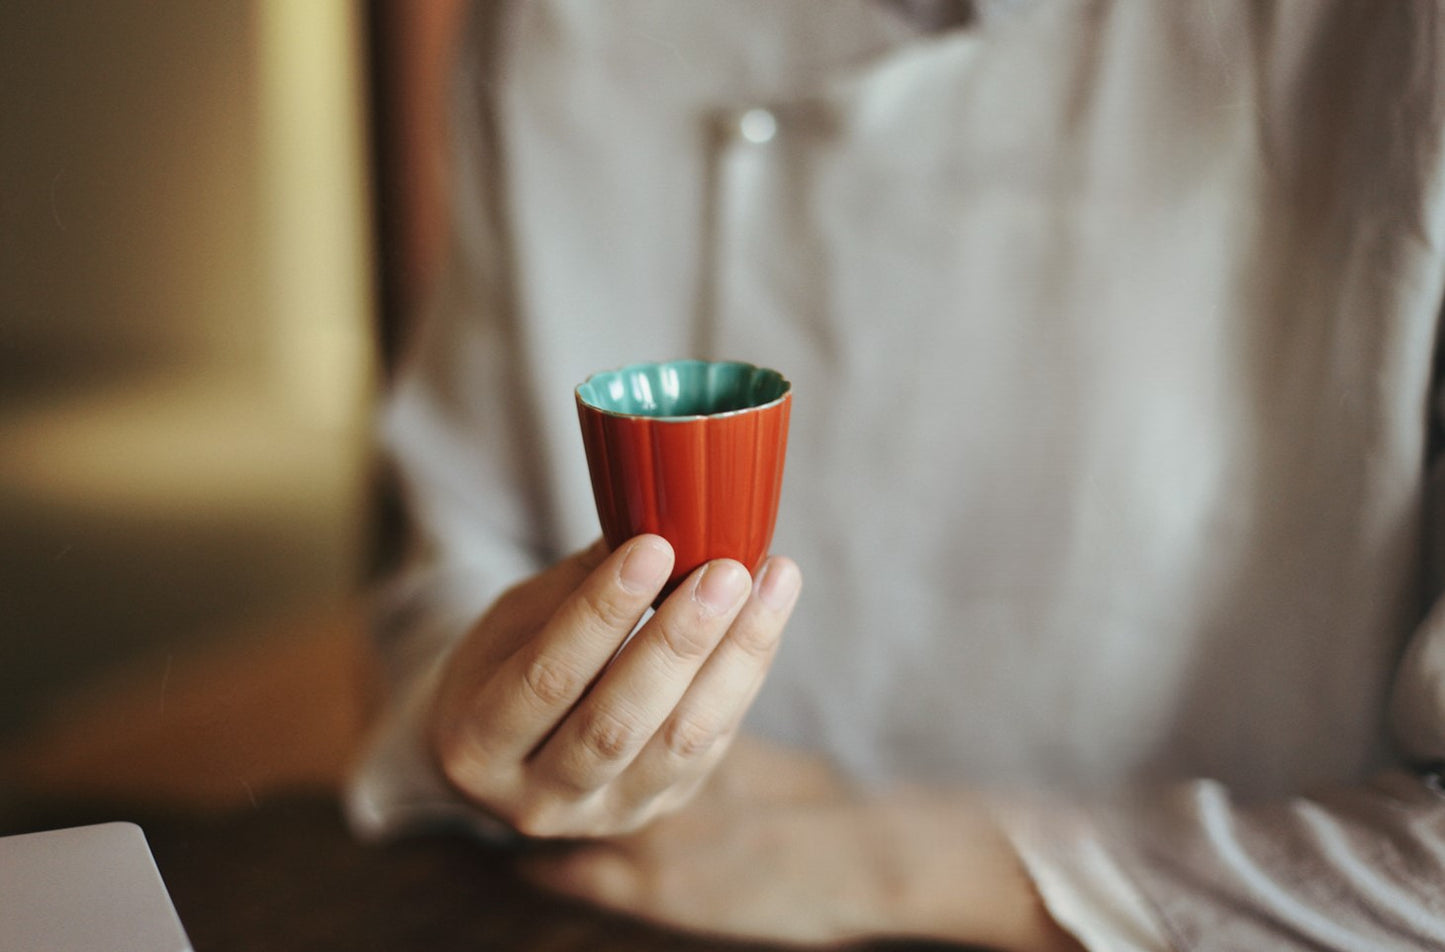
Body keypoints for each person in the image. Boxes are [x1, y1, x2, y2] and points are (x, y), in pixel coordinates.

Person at [346, 1, 1445, 948]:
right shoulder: (546, 25)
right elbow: (457, 552)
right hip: (629, 905)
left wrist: (905, 862)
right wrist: (488, 726)